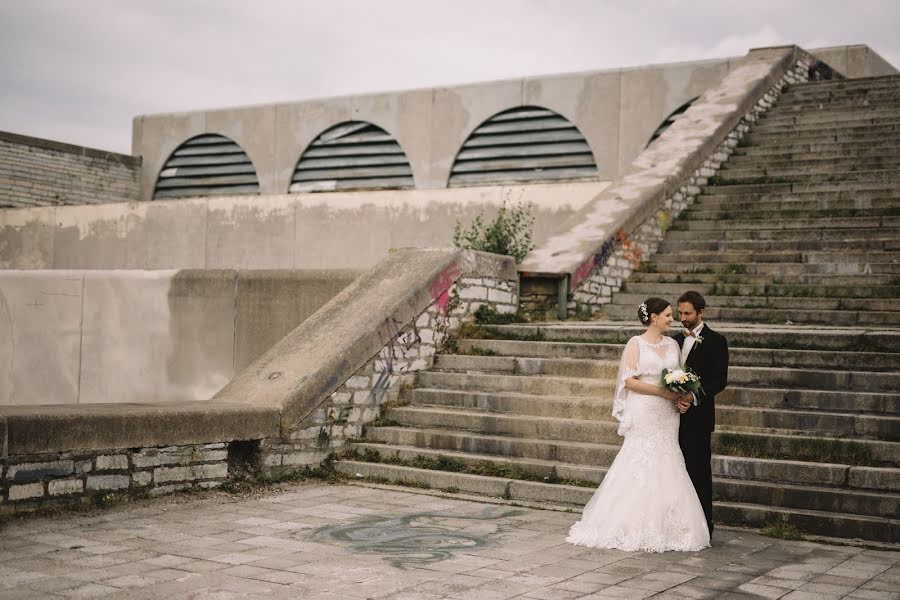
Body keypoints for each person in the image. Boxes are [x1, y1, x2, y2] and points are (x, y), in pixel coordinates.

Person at [567, 297, 710, 552]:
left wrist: (680, 394)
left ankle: (670, 527)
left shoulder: (672, 345)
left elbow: (680, 376)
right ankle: (629, 524)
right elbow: (629, 381)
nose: (671, 319)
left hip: (667, 415)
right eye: (667, 315)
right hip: (644, 410)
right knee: (639, 459)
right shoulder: (636, 344)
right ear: (654, 317)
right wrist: (663, 393)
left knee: (668, 459)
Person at [673, 291, 729, 537]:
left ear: (701, 312)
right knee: (675, 472)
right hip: (672, 418)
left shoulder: (717, 341)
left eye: (688, 313)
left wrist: (693, 396)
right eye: (680, 313)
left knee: (699, 473)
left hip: (699, 418)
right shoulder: (674, 340)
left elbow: (719, 381)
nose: (683, 318)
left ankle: (704, 526)